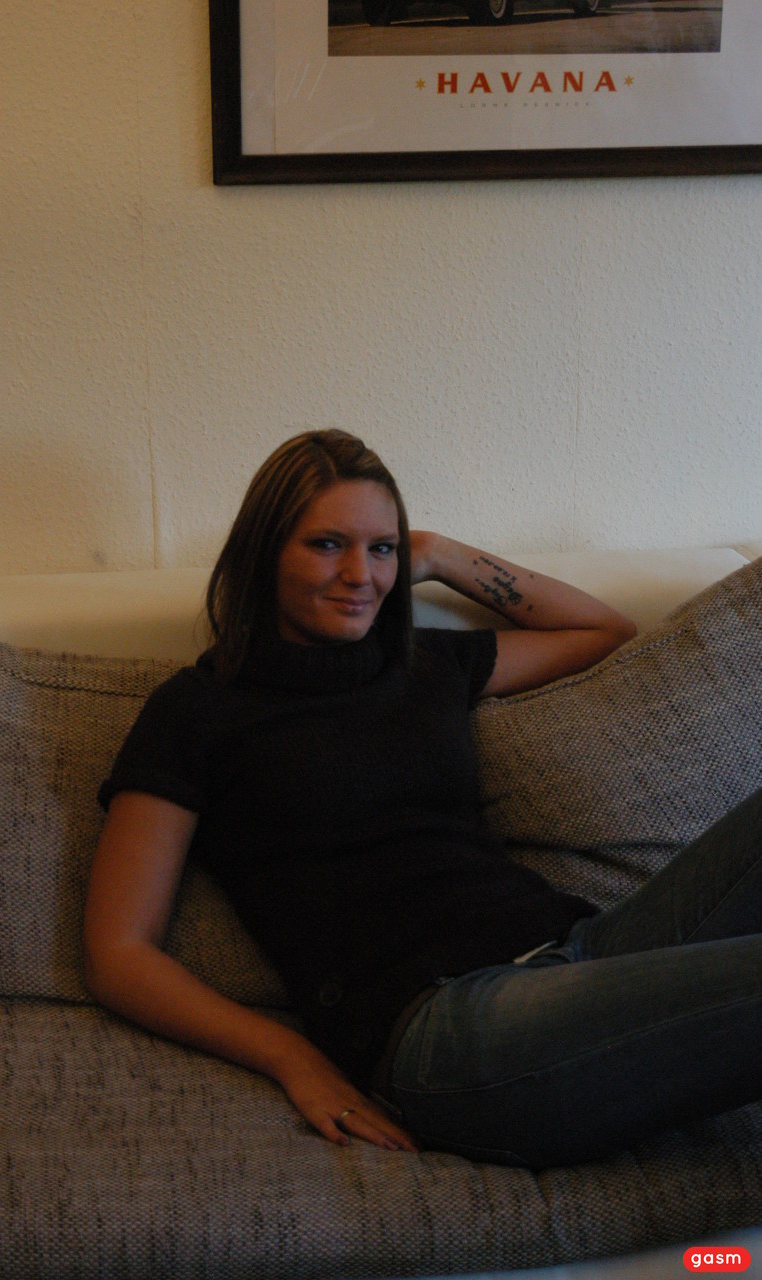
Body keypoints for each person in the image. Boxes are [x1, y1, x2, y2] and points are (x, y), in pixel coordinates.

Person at [84, 429, 762, 1168]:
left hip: (580, 954)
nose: (360, 575)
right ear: (262, 552)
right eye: (327, 545)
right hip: (450, 1034)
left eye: (381, 549)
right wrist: (291, 1055)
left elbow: (603, 630)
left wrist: (437, 552)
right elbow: (118, 953)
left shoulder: (423, 664)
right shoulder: (196, 710)